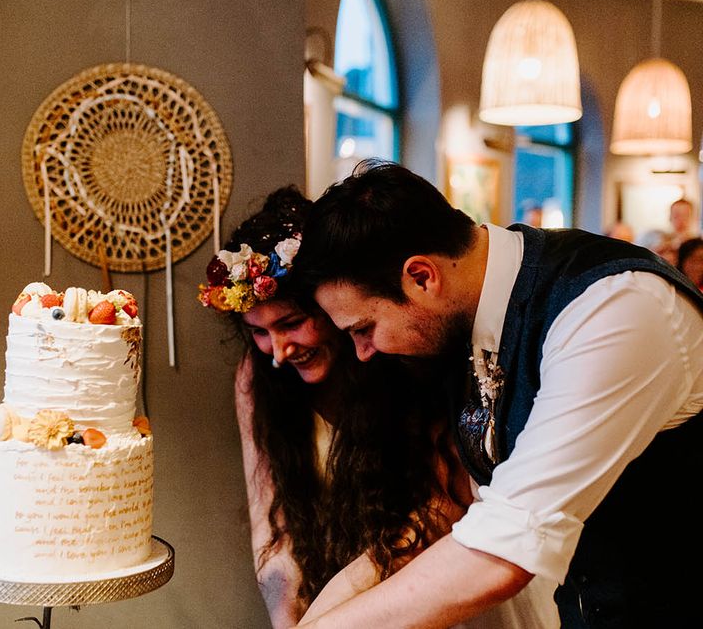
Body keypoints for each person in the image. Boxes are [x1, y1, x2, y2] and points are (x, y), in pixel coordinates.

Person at [291, 161, 703, 628]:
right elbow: (458, 507)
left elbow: (502, 551)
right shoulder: (465, 315)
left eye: (364, 328)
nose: (363, 352)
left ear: (422, 277)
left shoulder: (614, 307)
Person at [198, 186, 558, 629]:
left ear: (334, 307)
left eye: (292, 324)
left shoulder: (406, 357)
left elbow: (436, 512)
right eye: (258, 332)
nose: (278, 351)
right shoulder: (256, 379)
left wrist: (326, 620)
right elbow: (273, 531)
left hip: (434, 591)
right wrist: (288, 621)